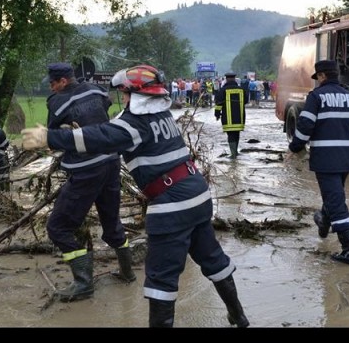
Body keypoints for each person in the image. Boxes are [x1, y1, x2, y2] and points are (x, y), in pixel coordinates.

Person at [22, 64, 249, 328]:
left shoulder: (133, 124)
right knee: (213, 260)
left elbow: (99, 136)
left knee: (161, 281)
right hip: (198, 197)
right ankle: (238, 316)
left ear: (136, 95)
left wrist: (48, 136)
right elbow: (107, 133)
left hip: (172, 206)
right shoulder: (163, 117)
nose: (124, 99)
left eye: (125, 94)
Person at [43, 62, 135, 302]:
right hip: (112, 162)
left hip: (85, 170)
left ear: (63, 81)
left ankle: (83, 284)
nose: (51, 88)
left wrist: (64, 129)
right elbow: (103, 110)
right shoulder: (97, 90)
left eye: (53, 83)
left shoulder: (57, 102)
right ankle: (128, 273)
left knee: (58, 227)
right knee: (112, 222)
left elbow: (52, 140)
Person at [287, 60, 349, 267]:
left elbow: (305, 124)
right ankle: (322, 221)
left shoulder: (316, 97)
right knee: (334, 195)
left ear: (321, 76)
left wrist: (294, 148)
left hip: (325, 160)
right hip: (346, 159)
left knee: (336, 202)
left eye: (317, 77)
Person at [214, 72, 246, 159]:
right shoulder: (241, 89)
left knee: (230, 134)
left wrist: (217, 114)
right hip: (240, 117)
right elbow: (246, 101)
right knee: (237, 134)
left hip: (228, 117)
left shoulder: (223, 90)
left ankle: (233, 154)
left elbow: (218, 104)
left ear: (226, 79)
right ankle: (235, 152)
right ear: (234, 79)